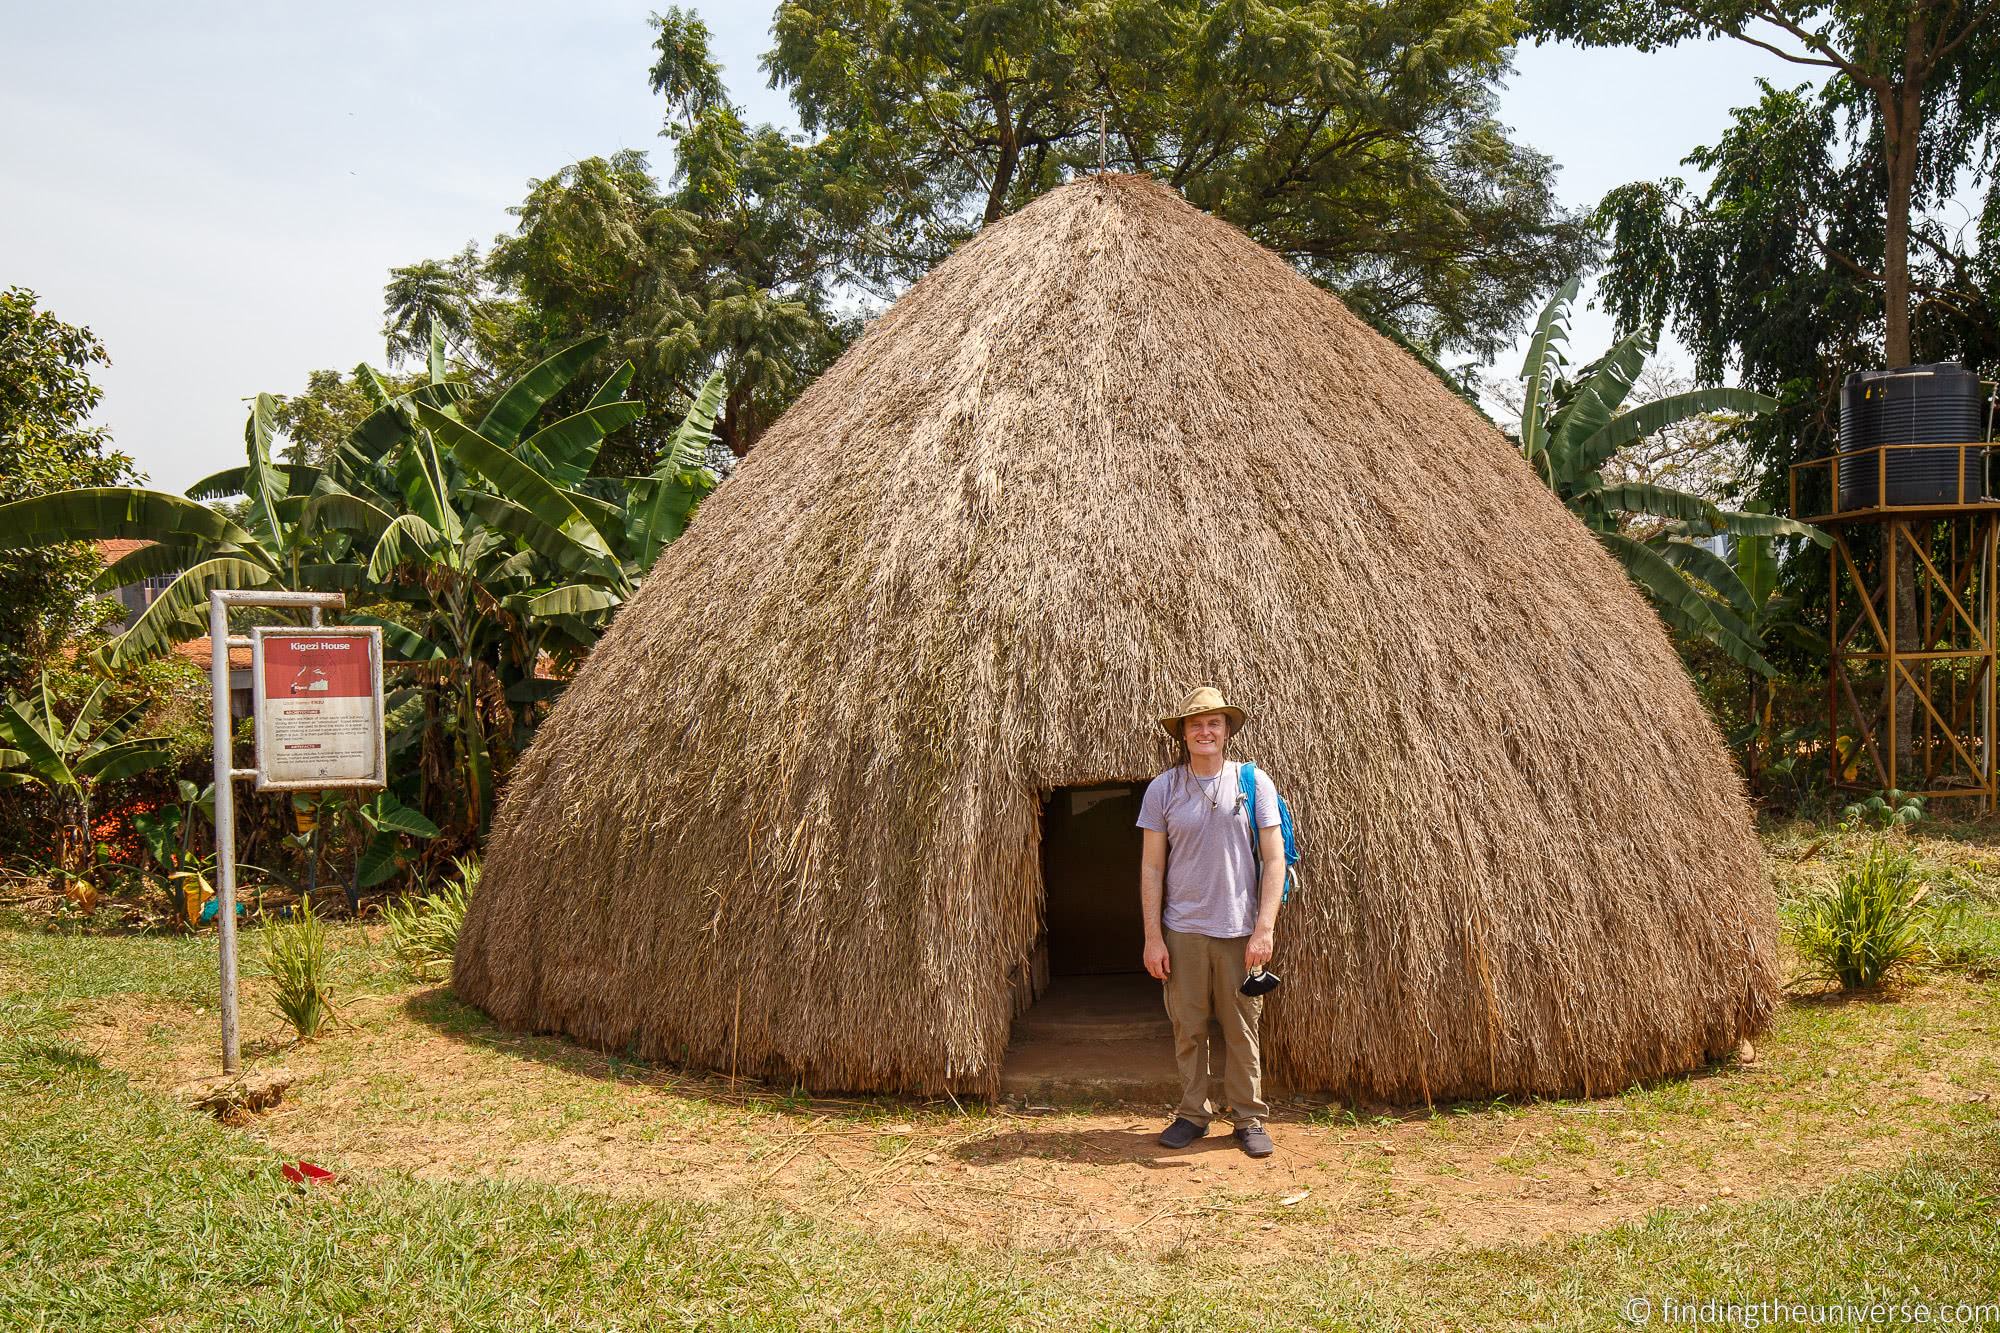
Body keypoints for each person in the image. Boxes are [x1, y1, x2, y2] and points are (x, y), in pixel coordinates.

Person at [1136, 685, 1284, 1159]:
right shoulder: (1164, 788)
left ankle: (1248, 1118)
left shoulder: (1252, 782)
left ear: (1226, 731)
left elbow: (1274, 858)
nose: (1205, 731)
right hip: (1183, 931)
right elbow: (1152, 867)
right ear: (1183, 733)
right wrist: (1153, 937)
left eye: (1214, 723)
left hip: (1239, 930)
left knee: (1242, 1028)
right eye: (1195, 724)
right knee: (1189, 1026)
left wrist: (1264, 928)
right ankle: (1193, 1114)